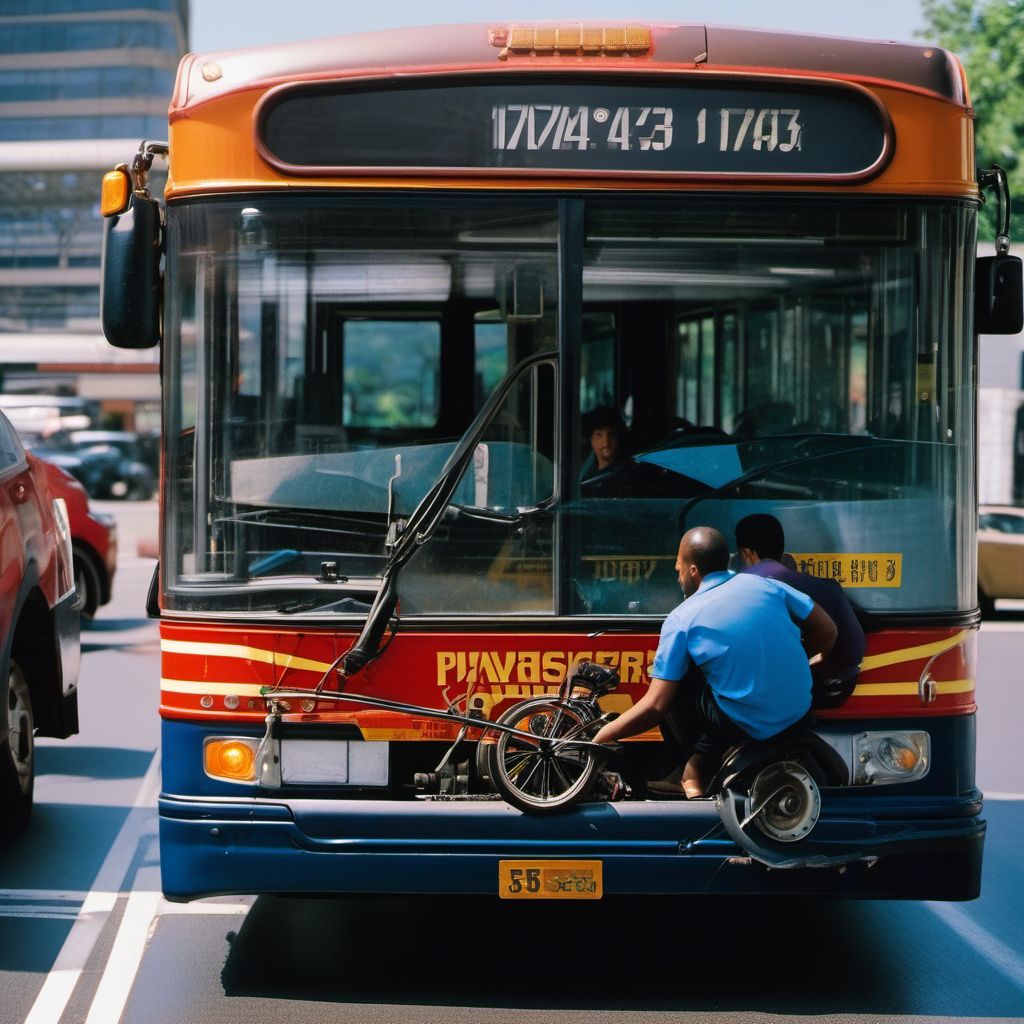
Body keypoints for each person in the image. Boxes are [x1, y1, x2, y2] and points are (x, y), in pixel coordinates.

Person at [591, 526, 837, 797]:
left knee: (675, 681)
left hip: (744, 722)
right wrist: (796, 659)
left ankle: (693, 772)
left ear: (693, 571)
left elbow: (656, 706)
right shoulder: (767, 585)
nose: (679, 575)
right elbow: (828, 630)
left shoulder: (682, 617)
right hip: (800, 709)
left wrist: (602, 736)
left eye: (679, 569)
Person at [735, 513, 865, 708]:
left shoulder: (742, 589)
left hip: (798, 693)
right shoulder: (826, 586)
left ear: (747, 554)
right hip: (844, 686)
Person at [579, 406, 629, 482]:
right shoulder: (585, 469)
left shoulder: (625, 472)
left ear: (618, 437)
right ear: (591, 439)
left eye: (611, 434)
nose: (606, 442)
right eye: (599, 435)